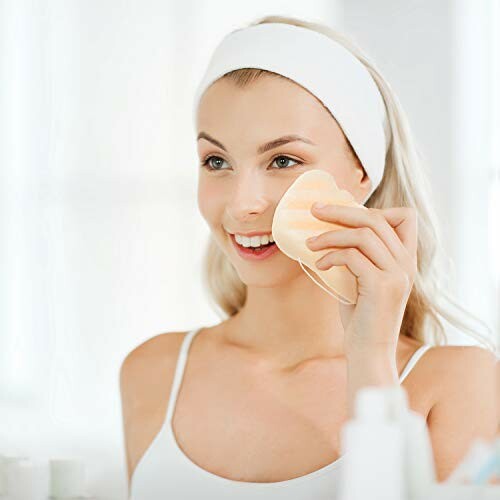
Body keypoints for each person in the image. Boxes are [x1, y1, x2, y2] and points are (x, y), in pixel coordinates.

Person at [120, 15, 498, 500]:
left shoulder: (459, 384)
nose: (242, 204)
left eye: (283, 160)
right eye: (217, 162)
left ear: (363, 172)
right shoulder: (151, 372)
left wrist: (370, 362)